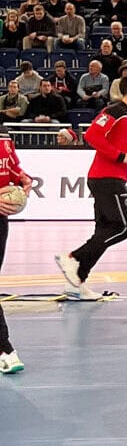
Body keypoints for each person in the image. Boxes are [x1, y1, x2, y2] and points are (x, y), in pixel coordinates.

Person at [54, 74, 127, 300]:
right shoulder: (115, 111)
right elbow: (92, 135)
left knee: (103, 231)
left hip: (113, 177)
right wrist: (120, 157)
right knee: (122, 228)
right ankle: (74, 258)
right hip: (106, 178)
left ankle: (77, 282)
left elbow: (119, 148)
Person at [0, 127, 32, 372]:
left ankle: (5, 350)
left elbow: (9, 165)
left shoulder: (3, 133)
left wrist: (22, 178)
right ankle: (5, 350)